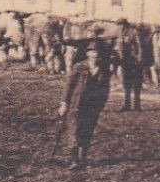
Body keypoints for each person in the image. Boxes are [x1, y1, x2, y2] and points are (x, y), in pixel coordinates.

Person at [58, 40, 113, 170]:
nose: (94, 55)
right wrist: (64, 103)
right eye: (92, 52)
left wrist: (100, 106)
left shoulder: (103, 70)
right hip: (76, 104)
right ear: (87, 53)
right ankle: (74, 160)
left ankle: (83, 159)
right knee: (74, 131)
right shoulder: (79, 67)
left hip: (92, 107)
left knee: (87, 132)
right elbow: (68, 86)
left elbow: (105, 90)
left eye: (96, 52)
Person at [114, 20, 146, 112]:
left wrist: (139, 58)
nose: (119, 27)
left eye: (120, 25)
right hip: (126, 60)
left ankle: (137, 105)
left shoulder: (134, 31)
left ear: (125, 25)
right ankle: (127, 104)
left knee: (136, 83)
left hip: (135, 60)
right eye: (119, 26)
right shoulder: (120, 33)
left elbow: (140, 46)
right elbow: (119, 46)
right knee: (127, 83)